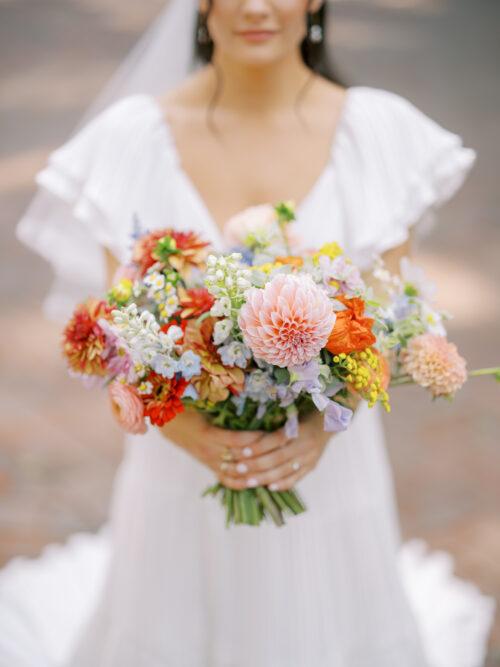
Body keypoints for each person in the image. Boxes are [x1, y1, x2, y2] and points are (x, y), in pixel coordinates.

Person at [2, 1, 494, 666]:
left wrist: (322, 426)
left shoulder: (376, 132)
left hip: (329, 468)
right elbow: (116, 337)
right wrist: (190, 433)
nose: (256, 6)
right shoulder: (132, 139)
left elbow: (387, 320)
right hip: (178, 467)